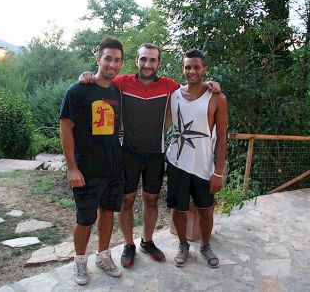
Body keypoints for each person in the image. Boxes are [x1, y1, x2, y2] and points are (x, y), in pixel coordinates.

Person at [79, 43, 221, 268]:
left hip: (156, 153)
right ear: (136, 60)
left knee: (151, 200)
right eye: (143, 59)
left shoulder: (169, 87)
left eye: (152, 60)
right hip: (127, 153)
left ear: (159, 63)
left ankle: (147, 241)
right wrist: (87, 75)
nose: (147, 64)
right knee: (127, 200)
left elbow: (193, 86)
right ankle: (128, 244)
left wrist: (212, 84)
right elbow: (101, 80)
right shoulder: (122, 82)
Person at [60, 36, 124, 285]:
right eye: (108, 58)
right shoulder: (78, 90)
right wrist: (72, 167)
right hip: (86, 168)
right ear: (98, 59)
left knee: (108, 213)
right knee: (85, 219)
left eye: (117, 60)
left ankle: (103, 256)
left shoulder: (116, 91)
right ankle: (79, 261)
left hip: (113, 166)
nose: (112, 64)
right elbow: (66, 129)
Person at [166, 49, 228, 268]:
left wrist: (218, 171)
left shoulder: (217, 98)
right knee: (179, 209)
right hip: (176, 162)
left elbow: (222, 138)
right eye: (187, 67)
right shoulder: (173, 95)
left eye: (196, 67)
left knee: (206, 210)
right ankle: (183, 244)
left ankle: (206, 245)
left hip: (203, 166)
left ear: (204, 69)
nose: (191, 71)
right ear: (183, 69)